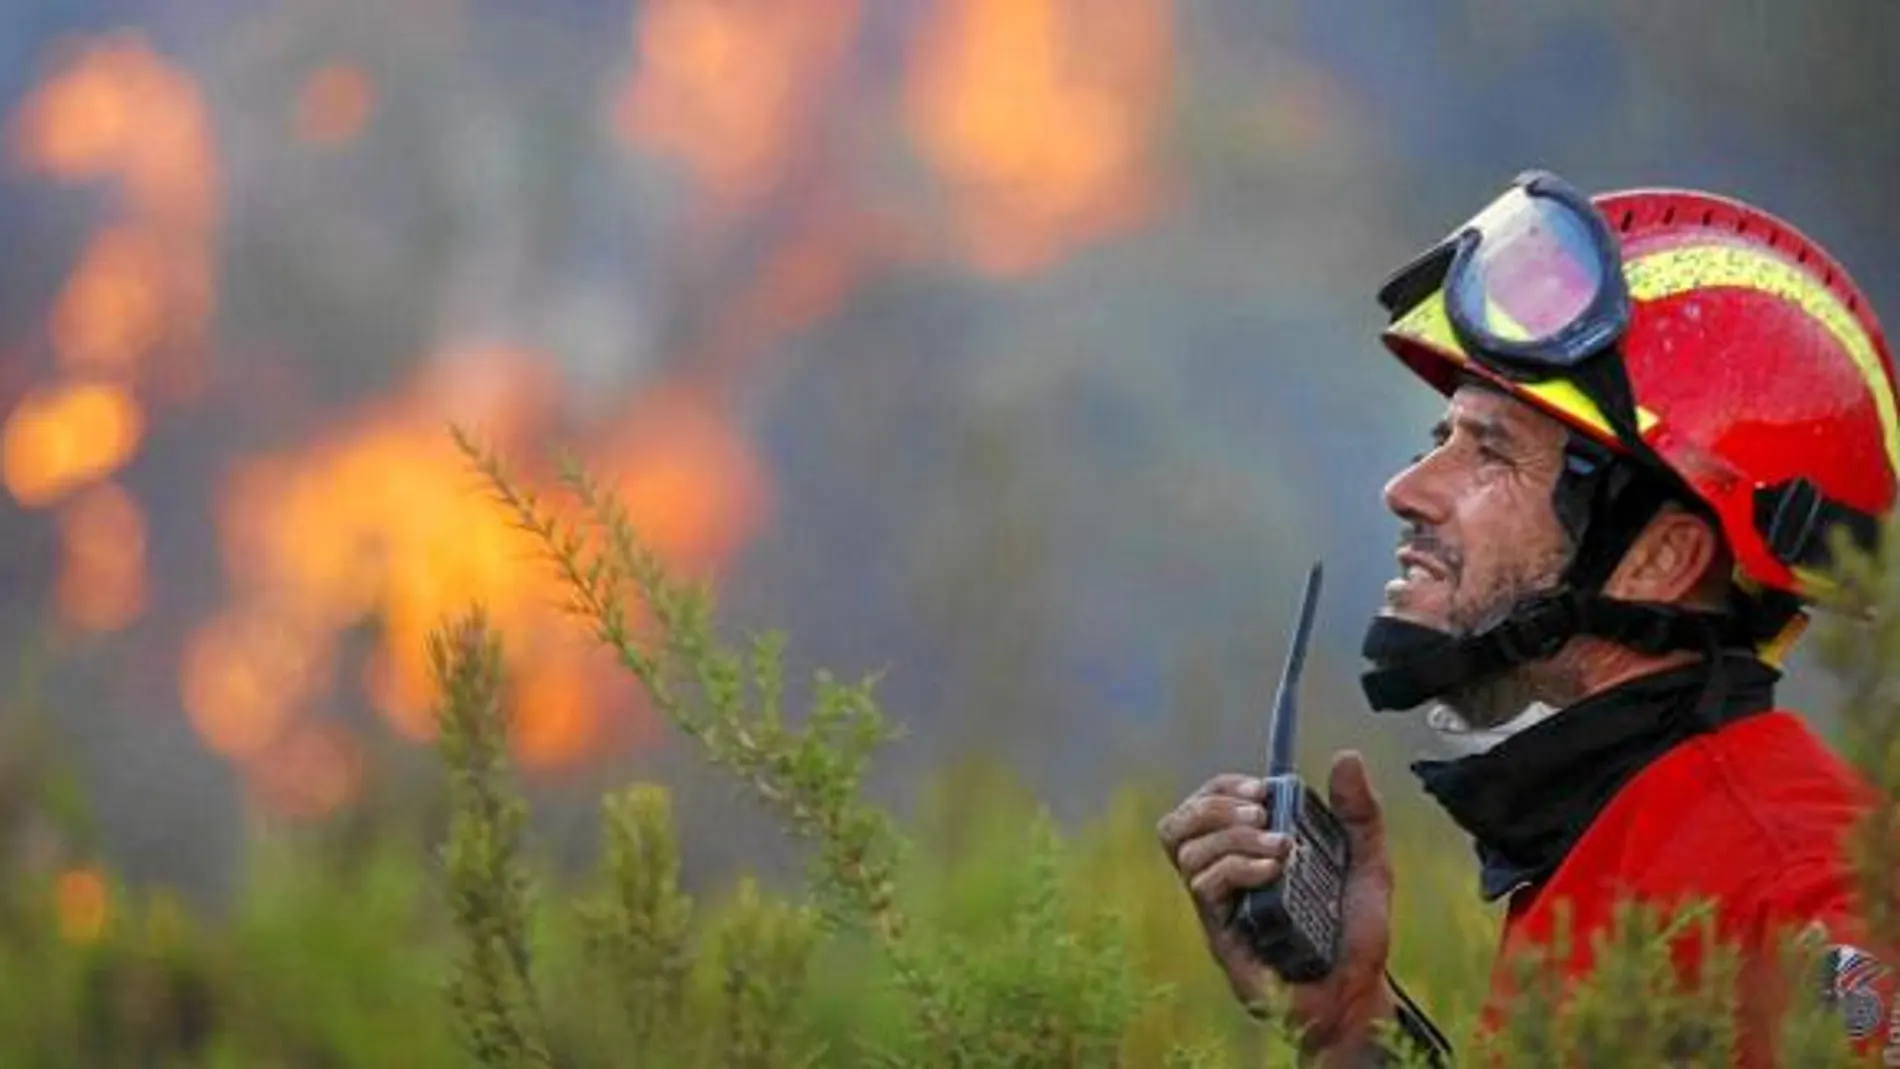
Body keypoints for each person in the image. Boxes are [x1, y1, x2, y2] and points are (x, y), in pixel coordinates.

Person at [1155, 170, 1900, 1066]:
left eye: (1491, 453)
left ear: (1662, 556)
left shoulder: (1800, 892)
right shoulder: (1616, 832)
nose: (1406, 490)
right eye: (1442, 439)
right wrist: (1350, 1027)